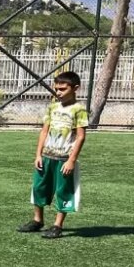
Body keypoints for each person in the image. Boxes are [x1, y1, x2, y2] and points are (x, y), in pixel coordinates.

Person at [17, 71, 87, 240]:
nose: (58, 92)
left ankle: (57, 225)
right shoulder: (53, 107)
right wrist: (38, 155)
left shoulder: (79, 110)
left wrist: (71, 160)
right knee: (38, 187)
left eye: (63, 89)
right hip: (47, 156)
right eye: (56, 89)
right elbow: (44, 131)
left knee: (63, 191)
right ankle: (37, 220)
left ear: (75, 88)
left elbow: (80, 137)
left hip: (64, 159)